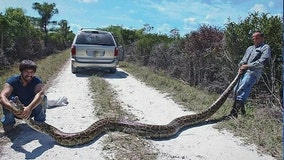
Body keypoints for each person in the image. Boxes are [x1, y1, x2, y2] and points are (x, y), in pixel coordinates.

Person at [227, 31, 271, 119]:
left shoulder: (265, 48)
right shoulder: (250, 48)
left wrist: (247, 66)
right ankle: (243, 112)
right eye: (253, 38)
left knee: (242, 89)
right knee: (235, 90)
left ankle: (233, 114)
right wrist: (240, 66)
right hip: (243, 72)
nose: (254, 39)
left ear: (262, 38)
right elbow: (243, 59)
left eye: (257, 37)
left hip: (253, 73)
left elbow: (263, 61)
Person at [0, 60, 47, 133]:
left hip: (31, 109)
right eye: (26, 72)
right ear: (21, 71)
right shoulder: (13, 80)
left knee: (43, 97)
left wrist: (29, 108)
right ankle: (9, 124)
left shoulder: (37, 81)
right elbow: (2, 96)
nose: (29, 74)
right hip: (16, 110)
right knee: (7, 99)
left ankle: (39, 122)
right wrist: (12, 109)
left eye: (32, 72)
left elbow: (40, 94)